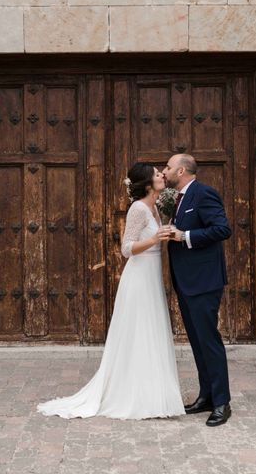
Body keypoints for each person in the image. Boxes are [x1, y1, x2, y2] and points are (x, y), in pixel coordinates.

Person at [37, 163, 185, 420]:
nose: (162, 173)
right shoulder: (138, 208)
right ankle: (134, 395)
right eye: (156, 172)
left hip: (150, 276)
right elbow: (126, 248)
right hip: (138, 279)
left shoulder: (155, 208)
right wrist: (154, 239)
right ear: (148, 184)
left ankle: (152, 391)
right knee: (139, 333)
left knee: (151, 331)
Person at [163, 154, 233, 427]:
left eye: (168, 167)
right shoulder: (178, 198)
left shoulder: (204, 194)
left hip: (204, 282)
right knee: (197, 342)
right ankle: (206, 395)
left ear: (181, 170)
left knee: (209, 341)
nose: (165, 171)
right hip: (186, 282)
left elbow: (222, 229)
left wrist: (185, 236)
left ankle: (222, 403)